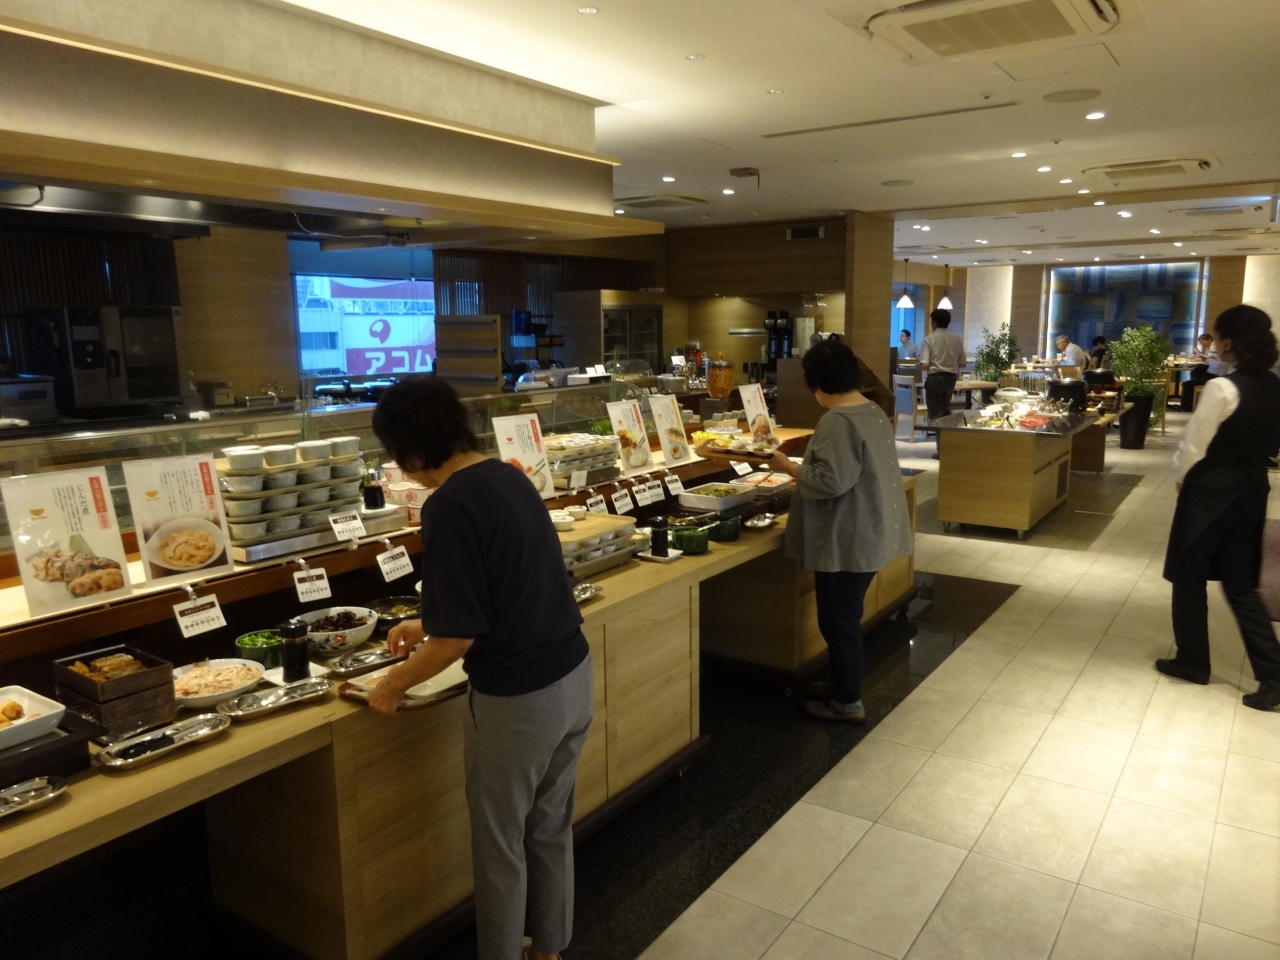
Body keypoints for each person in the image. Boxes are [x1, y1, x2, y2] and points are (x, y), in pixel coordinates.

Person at [368, 376, 593, 960]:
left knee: (500, 844)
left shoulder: (447, 504)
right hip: (573, 675)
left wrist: (391, 683)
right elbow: (504, 584)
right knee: (549, 826)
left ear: (410, 451)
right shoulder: (507, 476)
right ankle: (549, 947)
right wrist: (426, 622)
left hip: (520, 701)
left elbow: (458, 639)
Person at [767, 336, 913, 722]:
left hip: (848, 539)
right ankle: (841, 685)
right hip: (870, 531)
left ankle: (847, 702)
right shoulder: (871, 410)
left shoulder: (837, 420)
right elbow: (852, 473)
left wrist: (789, 467)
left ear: (818, 384)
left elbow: (832, 481)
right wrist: (806, 474)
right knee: (844, 617)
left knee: (838, 622)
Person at [1158, 305, 1280, 711]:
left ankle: (1193, 661)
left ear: (1227, 343)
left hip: (1210, 491)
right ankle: (1273, 675)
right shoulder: (1275, 386)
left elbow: (1194, 444)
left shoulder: (1222, 388)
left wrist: (1181, 476)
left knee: (1188, 574)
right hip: (1253, 489)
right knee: (1241, 584)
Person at [920, 308, 964, 421]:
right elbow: (963, 363)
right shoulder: (957, 339)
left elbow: (924, 365)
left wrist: (920, 365)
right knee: (945, 410)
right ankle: (945, 431)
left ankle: (938, 432)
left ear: (934, 323)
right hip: (951, 378)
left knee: (935, 413)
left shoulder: (929, 339)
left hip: (935, 378)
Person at [1181, 333, 1222, 411]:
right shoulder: (1210, 348)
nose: (1202, 344)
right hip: (1212, 373)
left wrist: (1202, 358)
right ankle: (1193, 402)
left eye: (1203, 342)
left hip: (1214, 375)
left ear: (1209, 340)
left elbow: (1212, 362)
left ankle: (1186, 407)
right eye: (1201, 343)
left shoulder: (1213, 348)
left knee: (1186, 384)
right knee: (1195, 373)